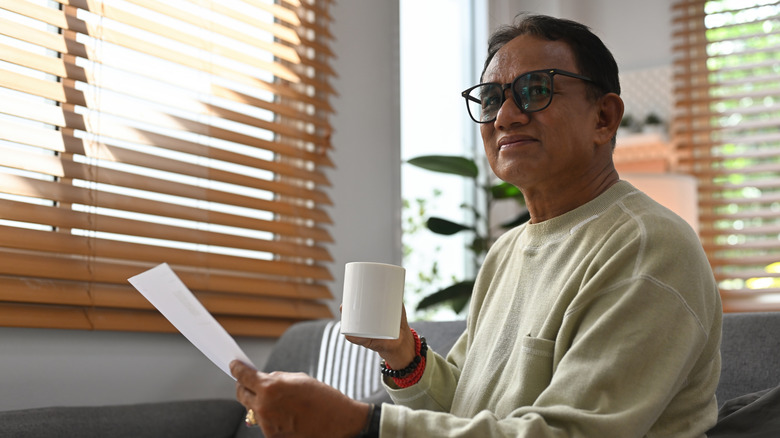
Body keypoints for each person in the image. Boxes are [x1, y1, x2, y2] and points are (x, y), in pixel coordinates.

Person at [231, 13, 722, 437]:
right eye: (490, 99)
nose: (505, 116)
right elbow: (462, 409)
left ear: (604, 118)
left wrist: (361, 424)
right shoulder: (507, 250)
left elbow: (569, 432)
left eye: (535, 90)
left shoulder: (648, 246)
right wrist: (403, 354)